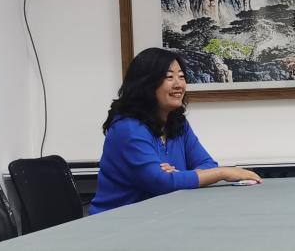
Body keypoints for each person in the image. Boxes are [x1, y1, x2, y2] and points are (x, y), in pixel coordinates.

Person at [89, 48, 260, 214]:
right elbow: (160, 183)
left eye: (182, 77)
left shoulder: (178, 122)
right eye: (169, 77)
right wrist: (223, 172)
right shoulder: (127, 128)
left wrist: (178, 176)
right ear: (145, 84)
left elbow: (207, 164)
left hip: (160, 217)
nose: (179, 84)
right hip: (117, 221)